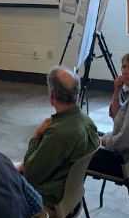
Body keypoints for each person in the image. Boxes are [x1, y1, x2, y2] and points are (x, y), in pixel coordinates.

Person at [18, 66, 99, 210]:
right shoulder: (88, 122)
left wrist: (35, 136)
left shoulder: (58, 134)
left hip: (49, 200)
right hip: (72, 196)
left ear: (51, 96)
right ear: (77, 93)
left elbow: (30, 175)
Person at [88, 51, 129, 178]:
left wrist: (102, 142)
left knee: (75, 152)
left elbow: (123, 141)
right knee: (87, 135)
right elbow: (117, 119)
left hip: (124, 162)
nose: (125, 71)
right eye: (124, 67)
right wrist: (116, 92)